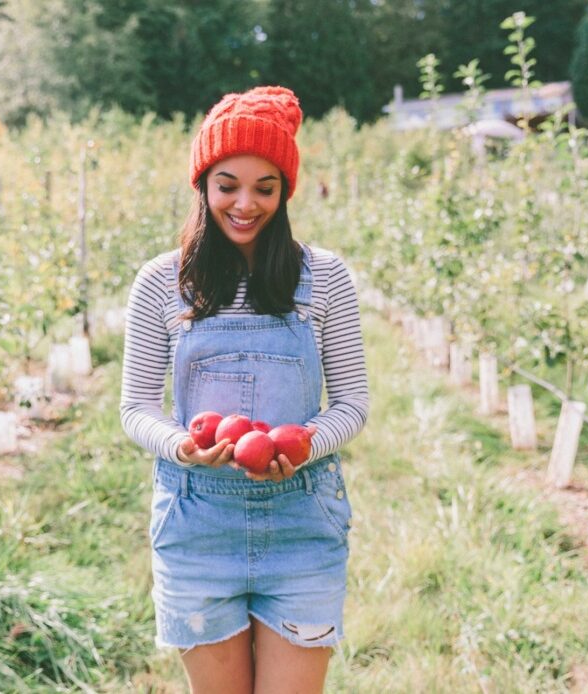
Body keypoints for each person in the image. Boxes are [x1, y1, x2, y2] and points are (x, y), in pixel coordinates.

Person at [120, 85, 369, 694]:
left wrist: (306, 443)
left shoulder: (325, 277)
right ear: (203, 182)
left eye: (266, 187)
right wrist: (181, 446)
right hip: (197, 524)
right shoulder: (160, 281)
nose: (245, 203)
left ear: (285, 192)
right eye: (228, 183)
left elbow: (354, 404)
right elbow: (134, 409)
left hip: (301, 523)